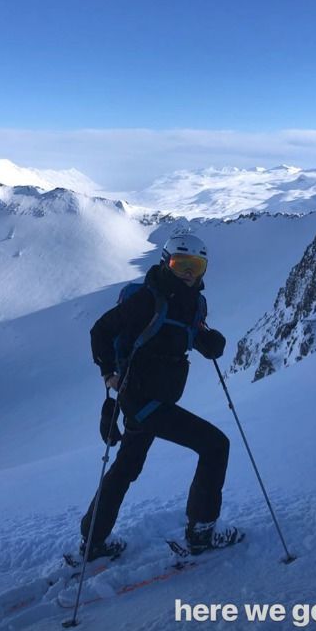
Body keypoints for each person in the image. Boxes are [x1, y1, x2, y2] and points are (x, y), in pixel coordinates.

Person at [80, 233, 240, 560]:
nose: (188, 272)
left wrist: (208, 341)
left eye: (195, 265)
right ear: (166, 261)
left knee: (126, 467)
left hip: (155, 400)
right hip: (143, 400)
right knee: (215, 445)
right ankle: (202, 532)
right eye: (181, 264)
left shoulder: (192, 302)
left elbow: (185, 333)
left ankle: (92, 542)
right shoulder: (147, 300)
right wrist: (108, 373)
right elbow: (100, 331)